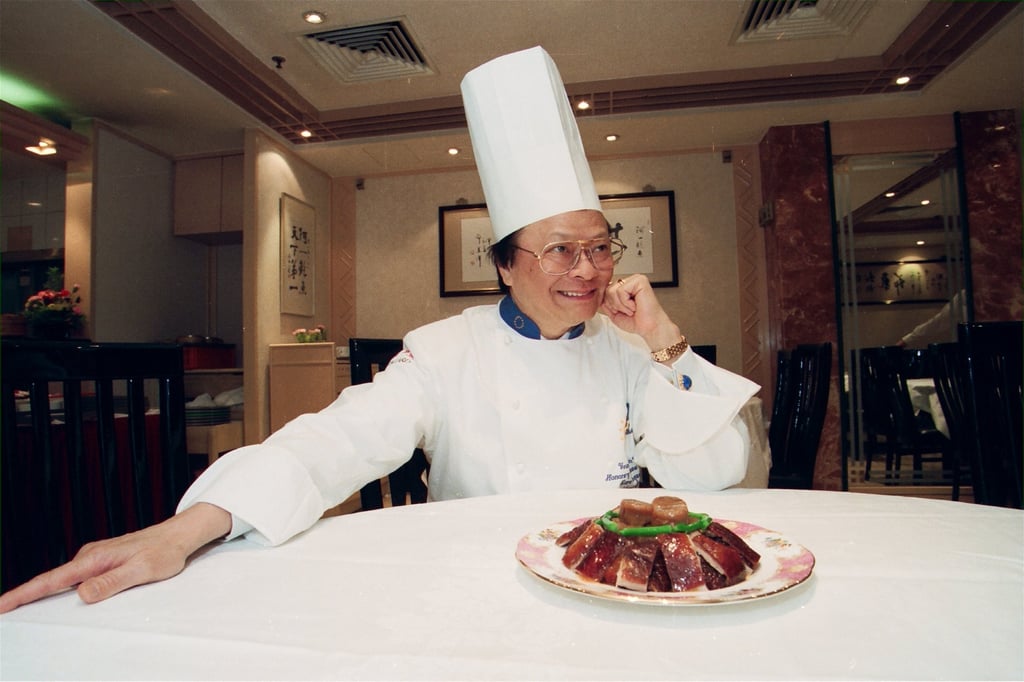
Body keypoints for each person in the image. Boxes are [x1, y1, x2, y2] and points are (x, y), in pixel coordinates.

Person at [0, 46, 758, 613]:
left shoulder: (630, 351)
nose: (587, 269)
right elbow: (334, 441)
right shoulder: (446, 351)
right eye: (561, 248)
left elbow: (719, 474)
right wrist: (190, 527)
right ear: (504, 265)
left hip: (605, 587)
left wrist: (664, 335)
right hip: (476, 586)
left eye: (599, 247)